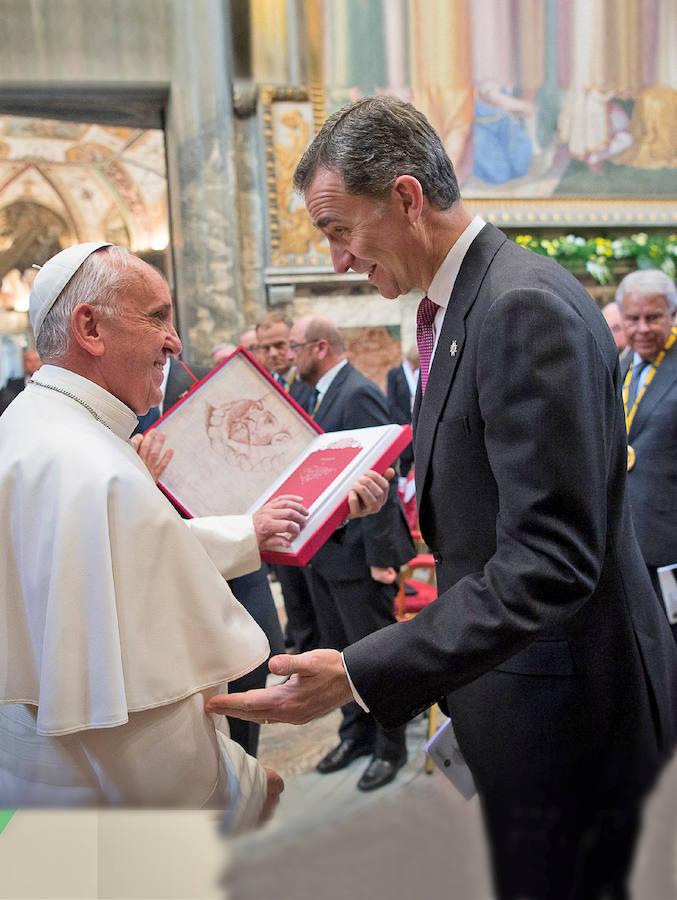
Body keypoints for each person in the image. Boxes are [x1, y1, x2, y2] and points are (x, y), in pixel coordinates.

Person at [208, 97, 677, 897]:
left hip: (569, 715)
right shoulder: (466, 303)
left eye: (338, 229)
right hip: (518, 687)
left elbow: (551, 558)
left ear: (404, 197)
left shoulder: (518, 306)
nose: (339, 260)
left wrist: (358, 670)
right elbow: (495, 482)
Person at [0, 240, 311, 819]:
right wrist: (243, 788)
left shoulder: (30, 423)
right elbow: (143, 717)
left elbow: (116, 552)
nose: (175, 341)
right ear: (90, 328)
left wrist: (247, 534)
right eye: (157, 318)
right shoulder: (94, 467)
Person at [284, 315, 414, 791]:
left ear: (319, 348)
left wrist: (381, 557)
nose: (289, 356)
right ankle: (354, 735)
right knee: (336, 653)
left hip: (359, 555)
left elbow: (382, 476)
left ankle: (390, 746)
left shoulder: (357, 393)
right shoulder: (311, 394)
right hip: (325, 552)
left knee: (373, 656)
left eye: (294, 346)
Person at [617, 269, 677, 641]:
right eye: (632, 319)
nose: (642, 329)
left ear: (672, 315)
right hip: (628, 543)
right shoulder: (622, 364)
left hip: (670, 547)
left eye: (652, 318)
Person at [386, 346, 419, 477]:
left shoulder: (421, 373)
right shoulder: (395, 374)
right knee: (405, 458)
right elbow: (391, 403)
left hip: (417, 423)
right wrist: (406, 423)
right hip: (403, 423)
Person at [0, 348, 42, 414]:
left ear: (42, 363)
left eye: (36, 360)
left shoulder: (50, 384)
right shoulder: (11, 385)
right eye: (29, 360)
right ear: (23, 363)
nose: (33, 364)